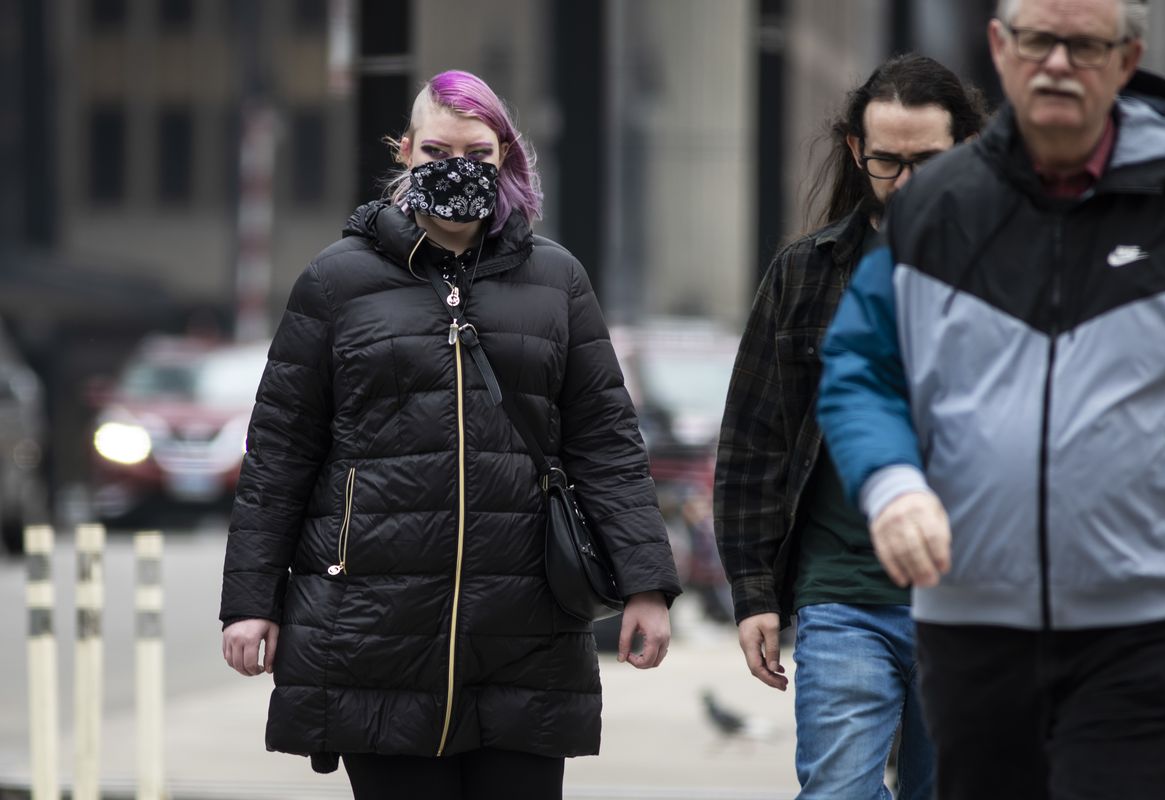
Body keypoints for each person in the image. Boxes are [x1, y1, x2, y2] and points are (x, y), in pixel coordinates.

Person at [219, 69, 681, 800]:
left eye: (477, 151)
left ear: (506, 158)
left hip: (526, 626)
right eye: (436, 150)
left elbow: (605, 441)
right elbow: (280, 451)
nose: (455, 168)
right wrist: (250, 601)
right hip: (375, 622)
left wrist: (647, 585)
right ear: (404, 152)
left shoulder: (557, 281)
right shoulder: (336, 282)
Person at [817, 1, 1165, 798]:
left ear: (1127, 60)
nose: (1058, 62)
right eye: (1039, 40)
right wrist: (892, 485)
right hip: (973, 620)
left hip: (1144, 617)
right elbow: (862, 366)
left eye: (1086, 44)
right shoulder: (936, 207)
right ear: (1001, 48)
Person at [713, 53, 987, 799]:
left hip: (978, 607)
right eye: (886, 162)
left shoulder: (1015, 267)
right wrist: (753, 593)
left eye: (926, 162)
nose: (905, 183)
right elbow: (752, 441)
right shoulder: (808, 272)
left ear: (967, 149)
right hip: (844, 596)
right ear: (855, 152)